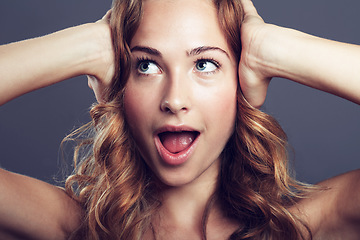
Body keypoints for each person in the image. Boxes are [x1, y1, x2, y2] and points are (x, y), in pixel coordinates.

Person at [0, 0, 359, 239]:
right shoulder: (74, 227)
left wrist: (274, 48)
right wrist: (86, 46)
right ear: (121, 82)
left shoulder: (301, 226)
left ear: (242, 79)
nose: (174, 100)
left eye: (205, 64)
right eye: (147, 65)